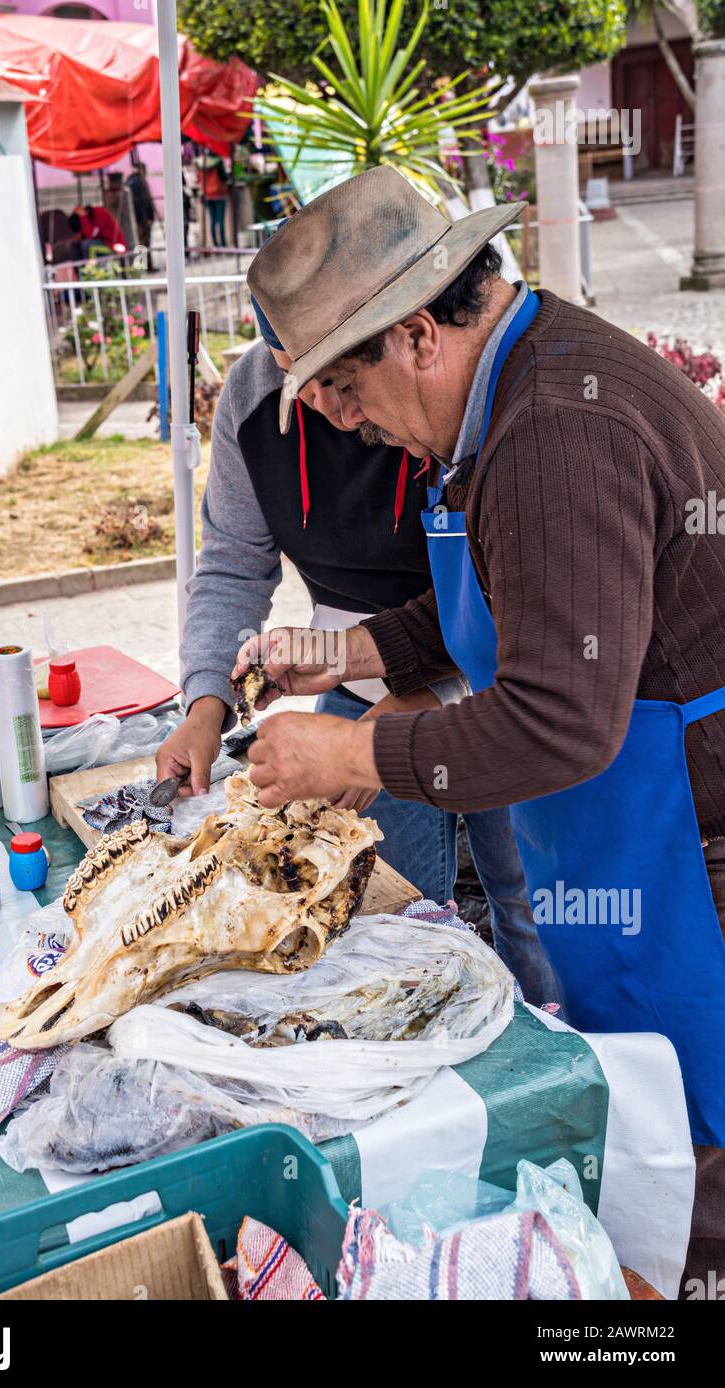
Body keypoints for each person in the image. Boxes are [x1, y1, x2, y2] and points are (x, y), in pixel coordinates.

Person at [240, 165, 725, 1292]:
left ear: (415, 335)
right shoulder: (500, 392)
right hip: (618, 843)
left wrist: (354, 752)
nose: (340, 422)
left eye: (343, 391)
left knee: (695, 1161)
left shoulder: (556, 430)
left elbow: (559, 718)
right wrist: (346, 654)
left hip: (686, 851)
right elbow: (501, 599)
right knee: (645, 1122)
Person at [155, 295, 560, 1005]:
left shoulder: (463, 396)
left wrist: (420, 702)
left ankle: (558, 1067)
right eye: (297, 379)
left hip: (503, 674)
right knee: (390, 918)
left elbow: (511, 601)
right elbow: (231, 564)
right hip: (352, 670)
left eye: (340, 382)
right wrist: (206, 703)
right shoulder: (253, 396)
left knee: (528, 904)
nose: (329, 407)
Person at [126, 162, 155, 269]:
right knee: (144, 242)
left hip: (138, 217)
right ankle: (145, 266)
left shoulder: (130, 181)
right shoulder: (138, 182)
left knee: (143, 242)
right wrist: (149, 216)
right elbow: (146, 201)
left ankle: (145, 265)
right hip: (142, 217)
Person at [199, 154, 228, 248]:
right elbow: (224, 177)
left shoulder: (201, 163)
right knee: (220, 220)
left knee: (212, 220)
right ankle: (223, 244)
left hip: (207, 195)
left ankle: (215, 243)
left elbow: (199, 179)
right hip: (218, 194)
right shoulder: (218, 162)